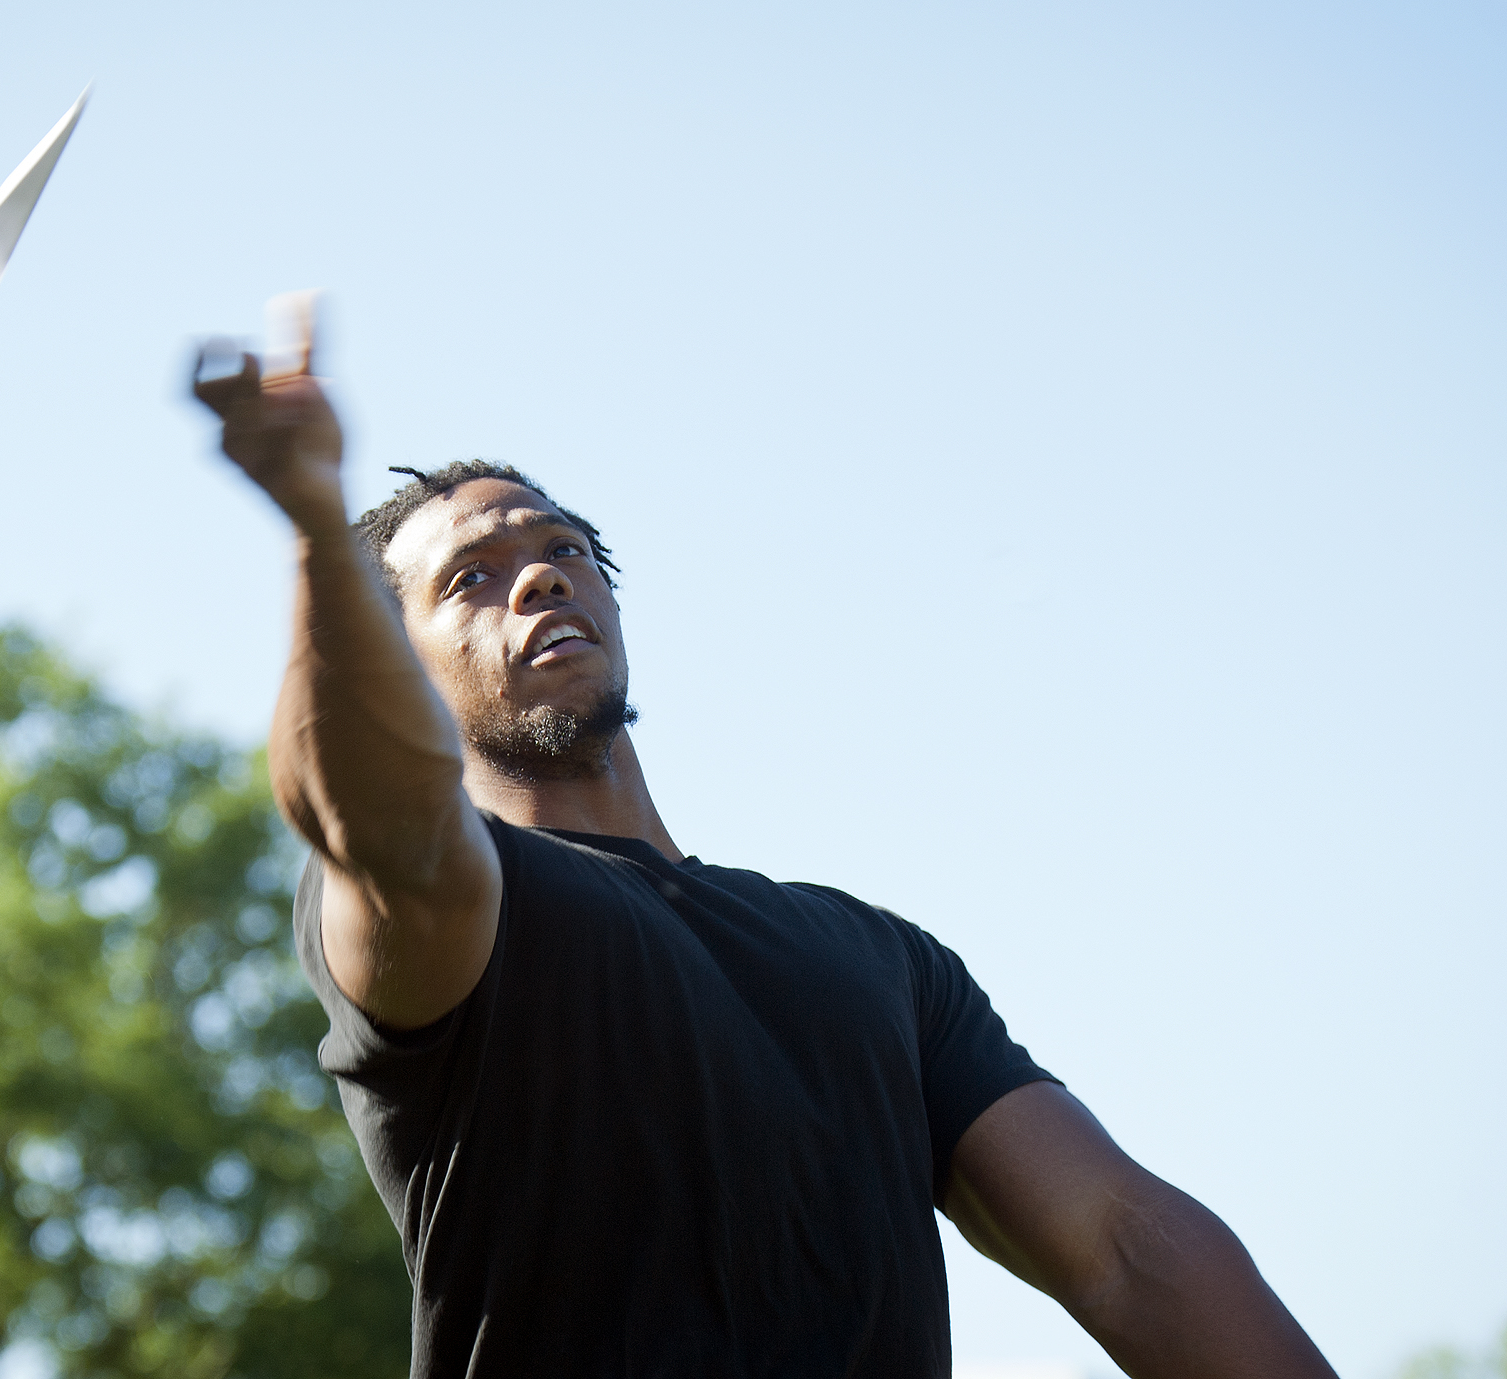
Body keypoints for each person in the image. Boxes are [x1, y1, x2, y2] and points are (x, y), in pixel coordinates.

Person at [192, 299, 1338, 1379]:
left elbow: (1121, 1242)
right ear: (407, 669)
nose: (538, 572)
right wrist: (311, 526)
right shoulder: (466, 902)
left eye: (563, 548)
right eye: (471, 578)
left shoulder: (881, 957)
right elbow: (377, 815)